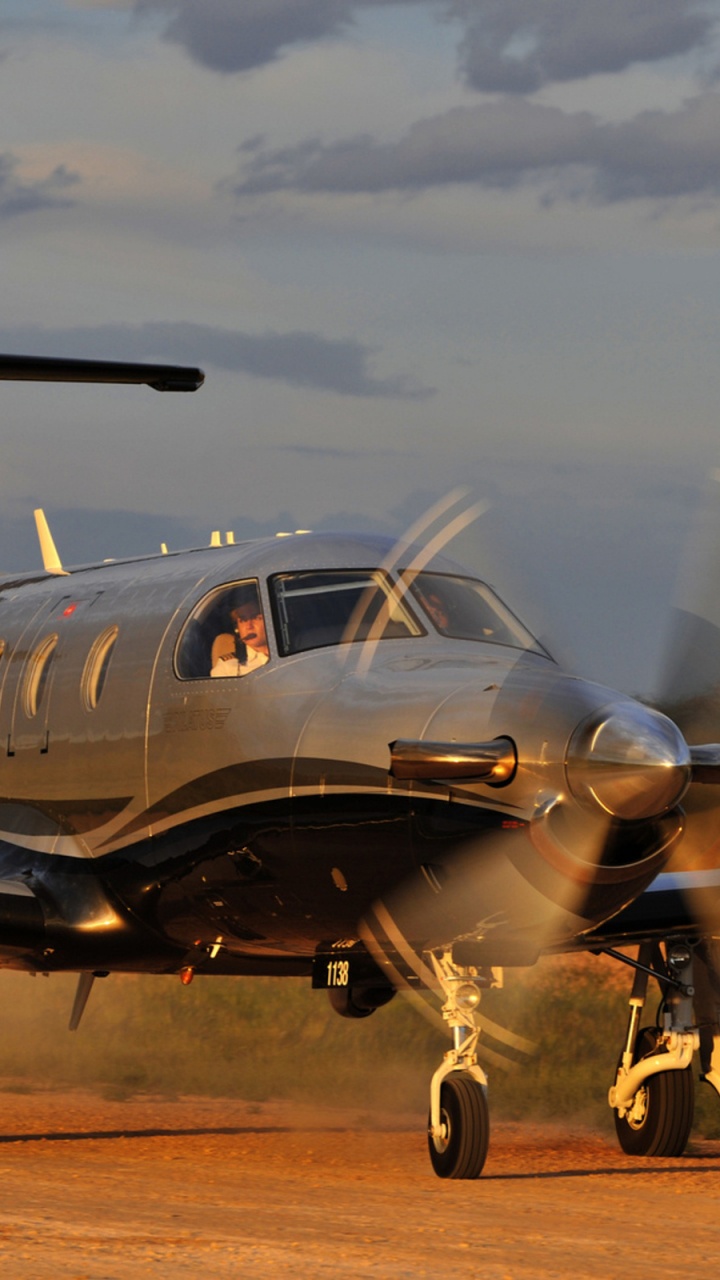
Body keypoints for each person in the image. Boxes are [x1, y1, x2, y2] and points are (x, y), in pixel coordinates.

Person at [211, 590, 270, 677]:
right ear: (237, 628)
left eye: (256, 618)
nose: (249, 626)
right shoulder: (227, 667)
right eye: (242, 620)